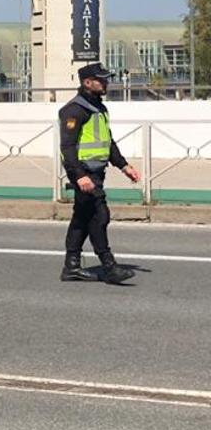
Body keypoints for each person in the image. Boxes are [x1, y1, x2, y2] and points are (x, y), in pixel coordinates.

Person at [59, 63, 140, 285]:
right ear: (87, 82)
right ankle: (109, 266)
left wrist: (124, 166)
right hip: (85, 174)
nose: (106, 83)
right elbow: (67, 147)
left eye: (106, 79)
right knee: (100, 216)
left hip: (97, 172)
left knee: (82, 219)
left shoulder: (99, 108)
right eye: (101, 80)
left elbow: (108, 142)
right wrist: (79, 176)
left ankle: (71, 267)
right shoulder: (74, 110)